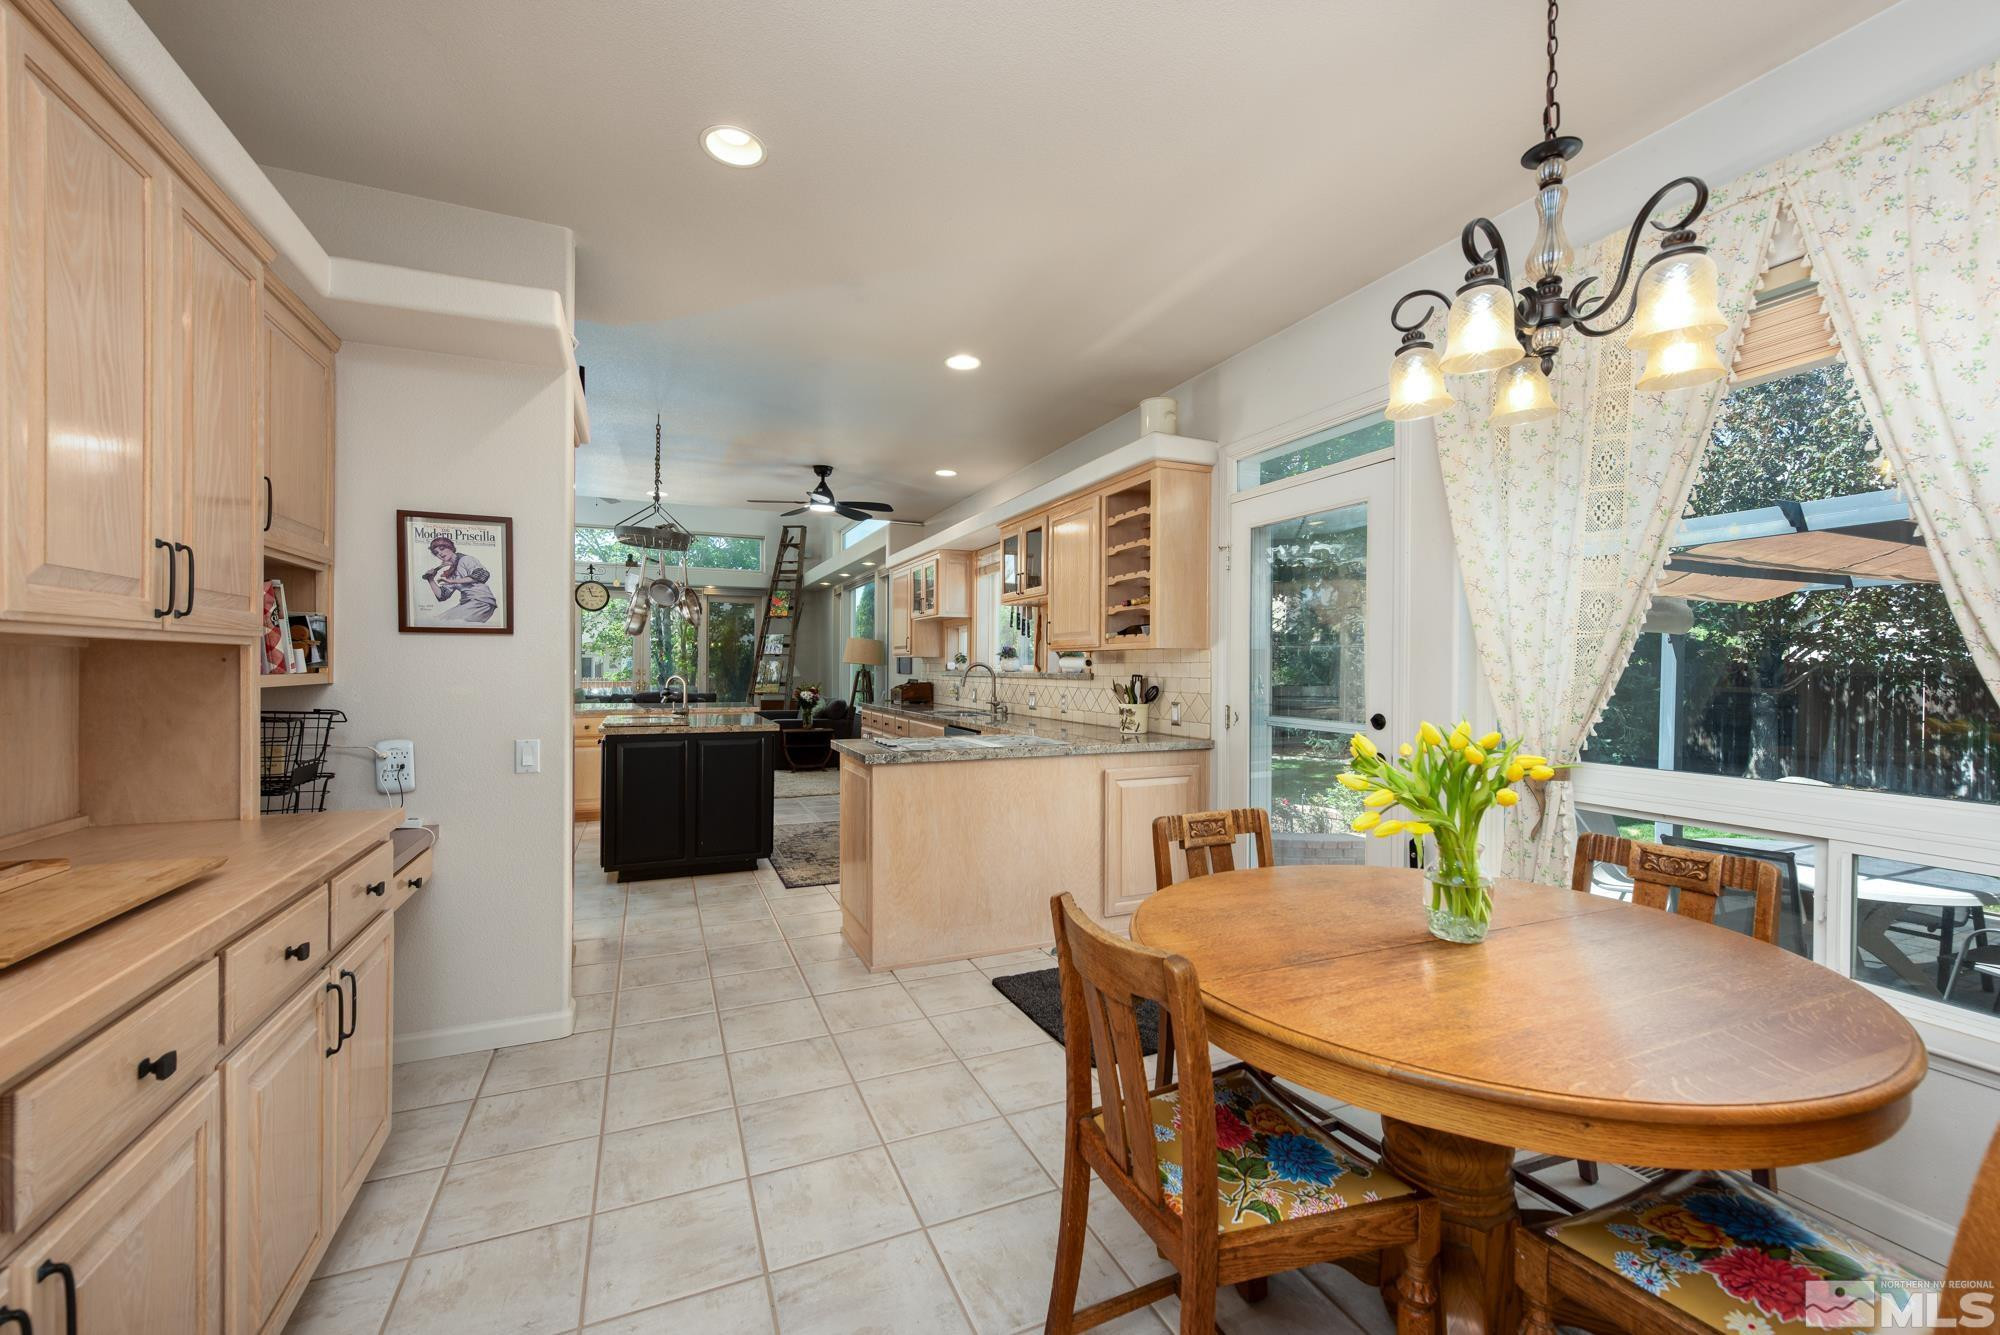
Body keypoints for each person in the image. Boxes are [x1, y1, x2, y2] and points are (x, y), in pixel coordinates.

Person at [421, 535, 498, 623]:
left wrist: (452, 581)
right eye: (436, 553)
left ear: (451, 547)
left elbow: (482, 575)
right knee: (438, 620)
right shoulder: (451, 572)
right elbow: (442, 596)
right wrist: (430, 579)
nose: (440, 554)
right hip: (466, 603)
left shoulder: (466, 559)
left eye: (442, 549)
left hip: (481, 602)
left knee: (445, 622)